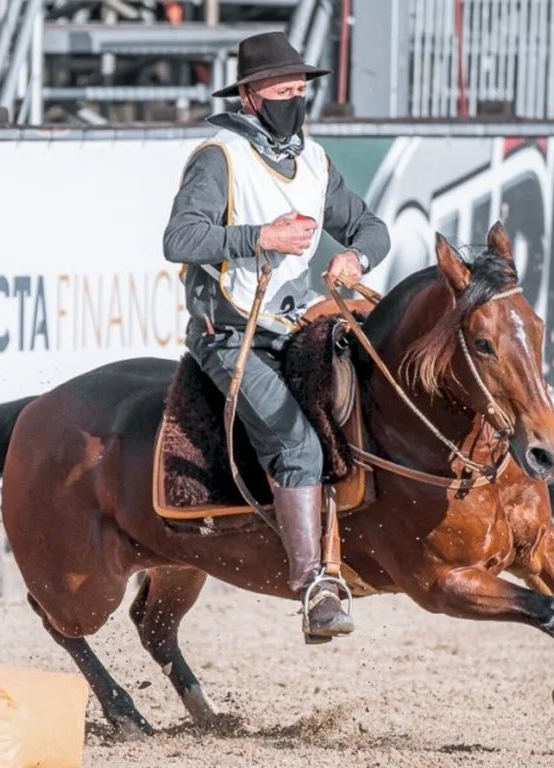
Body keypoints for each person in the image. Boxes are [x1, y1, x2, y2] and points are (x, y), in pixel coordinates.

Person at [162, 31, 391, 642]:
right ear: (250, 96)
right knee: (298, 444)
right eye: (282, 91)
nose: (295, 99)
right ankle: (315, 584)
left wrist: (357, 260)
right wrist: (260, 237)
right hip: (229, 332)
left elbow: (369, 225)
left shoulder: (314, 161)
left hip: (295, 326)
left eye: (300, 90)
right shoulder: (220, 156)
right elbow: (179, 241)